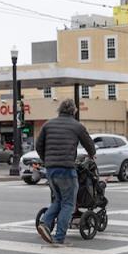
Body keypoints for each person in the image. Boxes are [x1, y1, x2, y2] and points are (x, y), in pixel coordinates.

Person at [35, 99, 95, 245]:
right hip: (66, 169)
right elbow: (89, 145)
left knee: (58, 200)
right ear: (74, 111)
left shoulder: (48, 125)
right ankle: (59, 237)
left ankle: (45, 223)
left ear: (59, 110)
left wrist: (47, 159)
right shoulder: (77, 126)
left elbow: (38, 146)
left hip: (50, 170)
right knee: (68, 203)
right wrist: (92, 155)